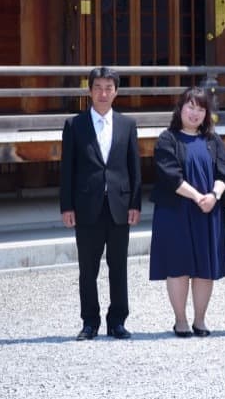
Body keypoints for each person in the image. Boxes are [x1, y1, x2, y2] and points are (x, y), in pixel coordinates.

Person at [59, 67, 142, 340]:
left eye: (109, 87)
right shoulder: (75, 125)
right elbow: (67, 169)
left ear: (116, 91)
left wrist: (135, 204)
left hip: (119, 205)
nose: (103, 93)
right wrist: (67, 206)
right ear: (90, 90)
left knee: (118, 266)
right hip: (86, 205)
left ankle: (117, 321)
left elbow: (134, 167)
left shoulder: (127, 125)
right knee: (88, 269)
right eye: (98, 87)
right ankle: (90, 322)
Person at [149, 87, 225, 337]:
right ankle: (181, 320)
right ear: (180, 109)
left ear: (206, 113)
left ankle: (200, 319)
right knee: (178, 266)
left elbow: (224, 172)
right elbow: (169, 175)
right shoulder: (168, 138)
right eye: (190, 106)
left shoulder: (212, 140)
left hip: (208, 210)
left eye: (201, 108)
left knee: (204, 267)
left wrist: (214, 196)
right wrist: (198, 197)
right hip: (175, 211)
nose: (195, 113)